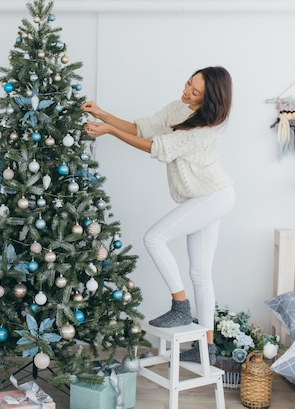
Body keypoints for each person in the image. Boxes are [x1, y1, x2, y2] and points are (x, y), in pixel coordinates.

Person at [81, 66, 235, 364]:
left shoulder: (204, 128)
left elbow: (157, 147)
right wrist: (104, 115)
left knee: (154, 237)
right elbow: (145, 128)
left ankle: (180, 306)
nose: (187, 91)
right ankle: (208, 348)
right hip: (204, 197)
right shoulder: (179, 108)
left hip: (214, 196)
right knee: (200, 273)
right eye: (189, 83)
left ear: (210, 99)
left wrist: (110, 132)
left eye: (195, 92)